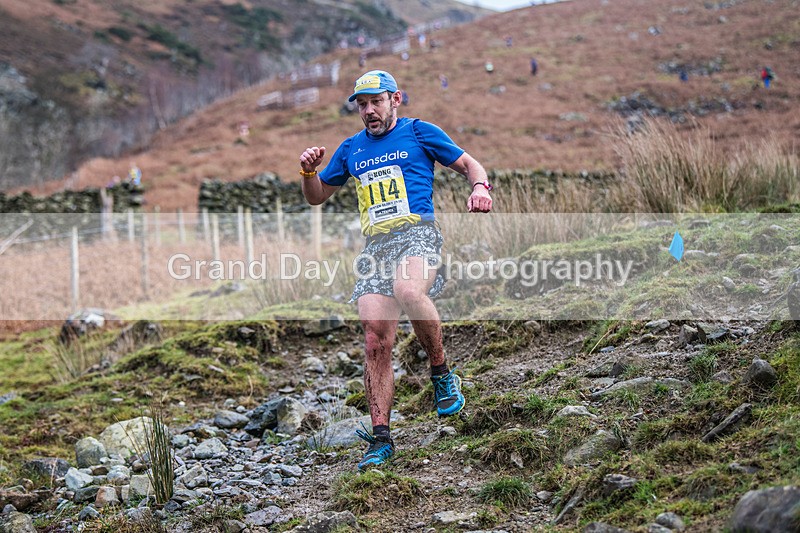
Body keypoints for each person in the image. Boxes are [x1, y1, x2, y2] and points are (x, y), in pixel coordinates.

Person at [299, 70, 492, 471]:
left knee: (408, 290)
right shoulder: (351, 148)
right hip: (376, 247)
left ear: (395, 100)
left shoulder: (419, 132)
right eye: (362, 104)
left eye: (376, 101)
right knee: (374, 339)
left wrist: (479, 188)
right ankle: (381, 438)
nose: (369, 110)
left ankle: (441, 373)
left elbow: (471, 165)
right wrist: (308, 173)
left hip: (417, 236)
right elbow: (318, 197)